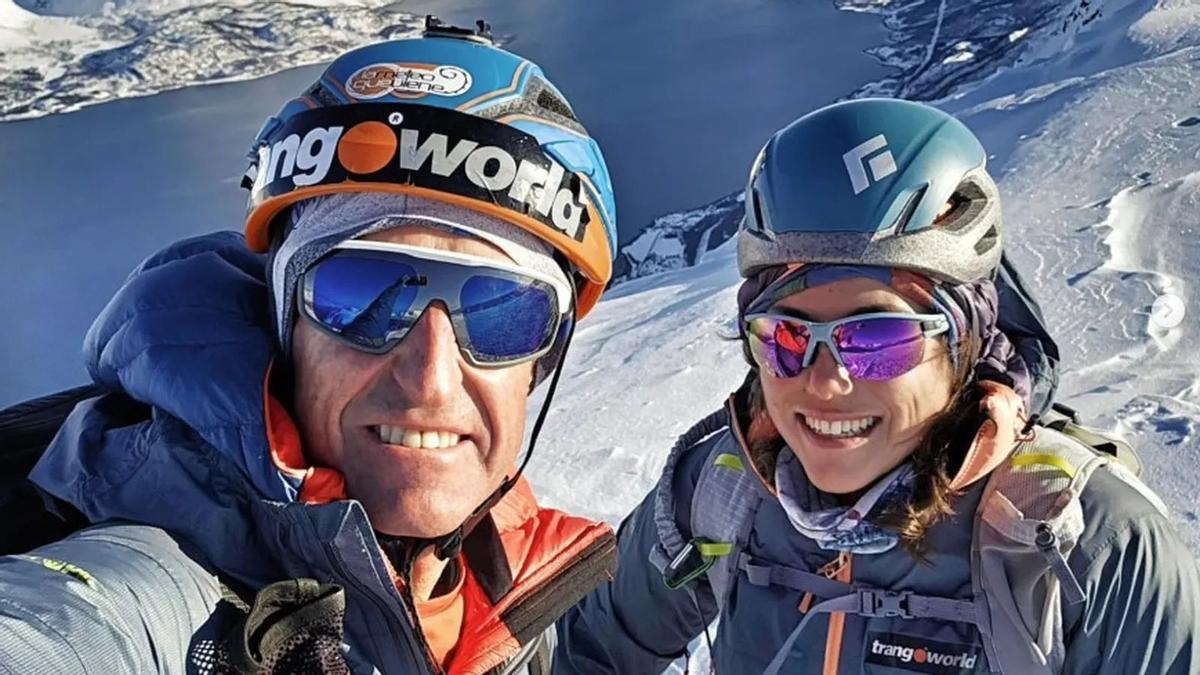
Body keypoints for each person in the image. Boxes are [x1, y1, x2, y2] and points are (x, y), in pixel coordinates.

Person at [0, 17, 620, 675]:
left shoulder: (499, 582)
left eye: (504, 315)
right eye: (361, 295)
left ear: (539, 362)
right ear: (285, 325)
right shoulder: (161, 595)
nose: (431, 377)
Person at [553, 98, 1200, 674]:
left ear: (966, 342)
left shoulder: (1092, 550)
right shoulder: (723, 487)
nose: (827, 383)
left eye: (878, 340)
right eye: (786, 337)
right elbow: (587, 653)